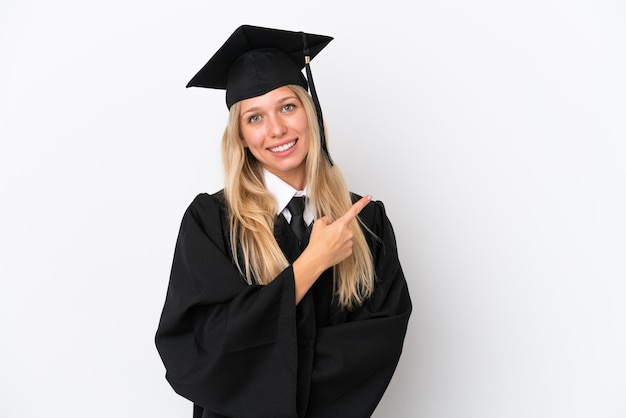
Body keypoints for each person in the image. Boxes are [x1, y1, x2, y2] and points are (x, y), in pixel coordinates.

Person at [155, 25, 412, 418]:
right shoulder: (211, 222)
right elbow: (198, 349)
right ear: (240, 136)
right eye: (255, 117)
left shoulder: (363, 222)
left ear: (309, 113)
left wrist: (265, 362)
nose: (276, 129)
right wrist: (311, 264)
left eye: (287, 107)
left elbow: (372, 348)